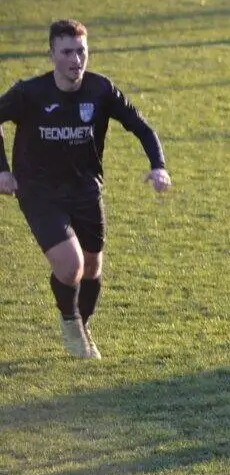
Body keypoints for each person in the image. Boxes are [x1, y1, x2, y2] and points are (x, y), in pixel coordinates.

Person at [0, 19, 171, 359]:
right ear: (51, 55)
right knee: (71, 266)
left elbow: (142, 128)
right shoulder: (29, 94)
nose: (75, 60)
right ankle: (69, 322)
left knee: (93, 269)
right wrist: (2, 170)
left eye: (81, 51)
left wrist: (158, 167)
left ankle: (81, 326)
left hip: (86, 189)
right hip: (39, 191)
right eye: (67, 52)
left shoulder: (101, 90)